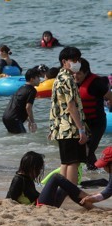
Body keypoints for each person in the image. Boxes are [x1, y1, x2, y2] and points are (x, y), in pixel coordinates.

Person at [49, 47, 87, 185]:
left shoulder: (58, 78)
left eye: (78, 60)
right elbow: (71, 107)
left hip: (61, 128)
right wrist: (81, 129)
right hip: (70, 128)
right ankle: (71, 192)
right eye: (74, 60)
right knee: (73, 163)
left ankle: (63, 192)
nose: (77, 63)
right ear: (64, 61)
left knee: (65, 162)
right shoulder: (68, 79)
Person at [6, 151, 92, 208]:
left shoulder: (27, 178)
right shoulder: (18, 179)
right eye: (39, 169)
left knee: (65, 186)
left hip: (42, 204)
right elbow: (8, 200)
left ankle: (88, 205)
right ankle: (84, 195)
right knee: (55, 177)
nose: (39, 171)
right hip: (38, 206)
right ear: (32, 168)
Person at [74, 58, 112, 170]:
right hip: (82, 123)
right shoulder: (72, 83)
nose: (75, 76)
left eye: (79, 73)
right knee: (82, 150)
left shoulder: (96, 83)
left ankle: (94, 172)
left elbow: (110, 96)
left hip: (97, 123)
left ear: (86, 72)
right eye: (74, 73)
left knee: (89, 149)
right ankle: (93, 172)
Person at [2, 67, 40, 134]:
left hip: (6, 117)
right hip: (14, 119)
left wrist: (28, 120)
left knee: (15, 138)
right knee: (23, 139)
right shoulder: (32, 90)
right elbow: (28, 107)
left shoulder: (21, 88)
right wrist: (33, 122)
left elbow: (18, 104)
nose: (39, 80)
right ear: (32, 79)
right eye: (38, 78)